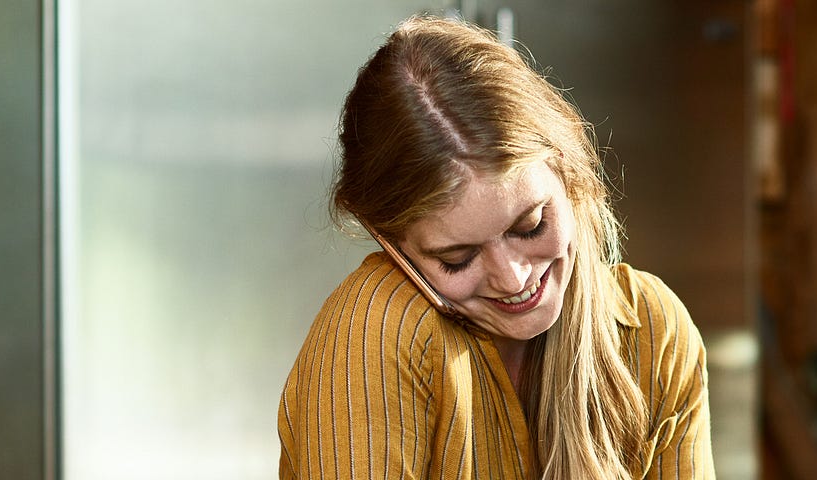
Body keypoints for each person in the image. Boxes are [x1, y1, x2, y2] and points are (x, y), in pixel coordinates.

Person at [276, 16, 714, 480]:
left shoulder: (654, 331)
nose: (514, 279)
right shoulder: (375, 331)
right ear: (391, 243)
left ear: (564, 168)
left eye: (529, 225)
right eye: (457, 258)